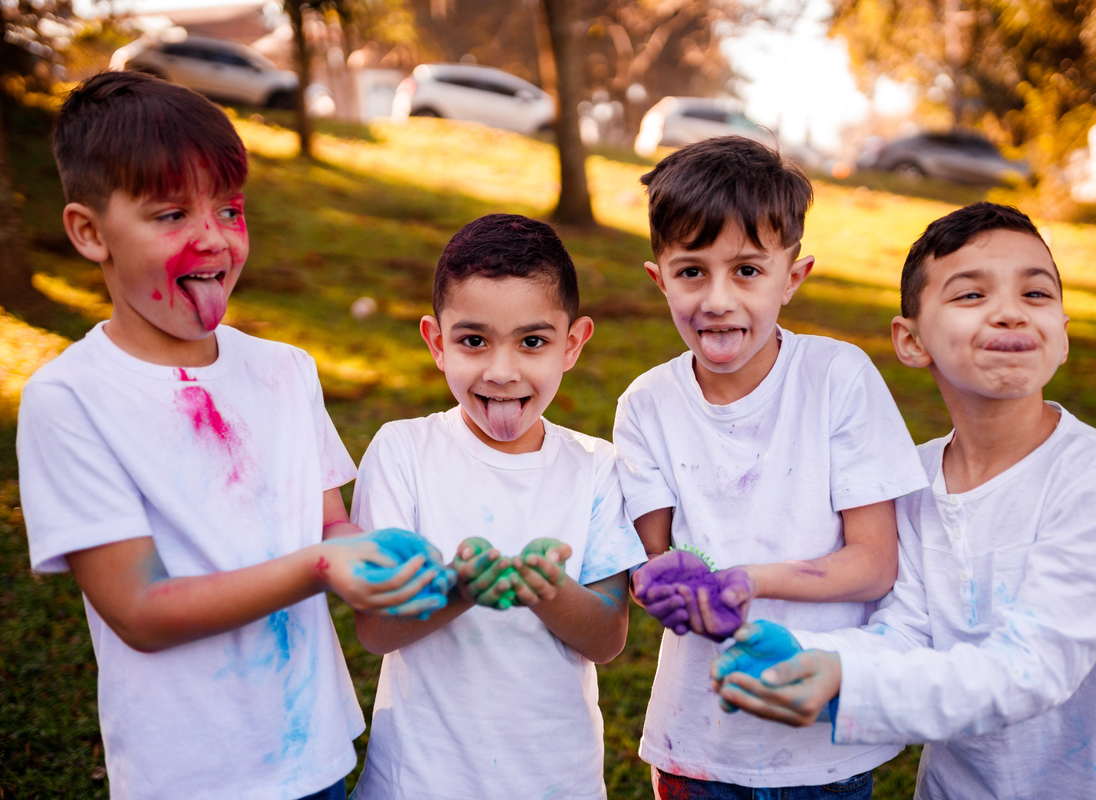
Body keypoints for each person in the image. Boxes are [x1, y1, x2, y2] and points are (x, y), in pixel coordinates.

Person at [17, 71, 446, 800]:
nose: (212, 237)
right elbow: (141, 611)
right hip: (192, 774)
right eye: (170, 214)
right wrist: (319, 566)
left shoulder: (285, 370)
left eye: (229, 209)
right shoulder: (71, 399)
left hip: (316, 751)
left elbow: (329, 525)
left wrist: (376, 560)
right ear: (90, 232)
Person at [712, 202, 1096, 799]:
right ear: (911, 340)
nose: (1010, 312)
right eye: (971, 295)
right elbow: (906, 632)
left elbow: (1034, 668)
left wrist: (848, 684)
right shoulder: (914, 479)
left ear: (1063, 335)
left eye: (1035, 294)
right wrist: (804, 654)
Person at [612, 136, 930, 798]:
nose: (717, 299)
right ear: (658, 278)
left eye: (747, 271)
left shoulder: (838, 378)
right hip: (697, 746)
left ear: (794, 277)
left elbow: (875, 564)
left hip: (822, 743)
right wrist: (666, 586)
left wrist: (743, 582)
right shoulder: (646, 405)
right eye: (691, 271)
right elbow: (654, 563)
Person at [349, 213, 648, 800]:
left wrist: (547, 589)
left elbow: (608, 637)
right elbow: (375, 629)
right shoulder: (402, 451)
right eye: (473, 341)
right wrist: (458, 589)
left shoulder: (596, 467)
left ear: (573, 343)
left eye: (532, 342)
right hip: (419, 782)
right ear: (437, 342)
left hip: (555, 783)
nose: (502, 371)